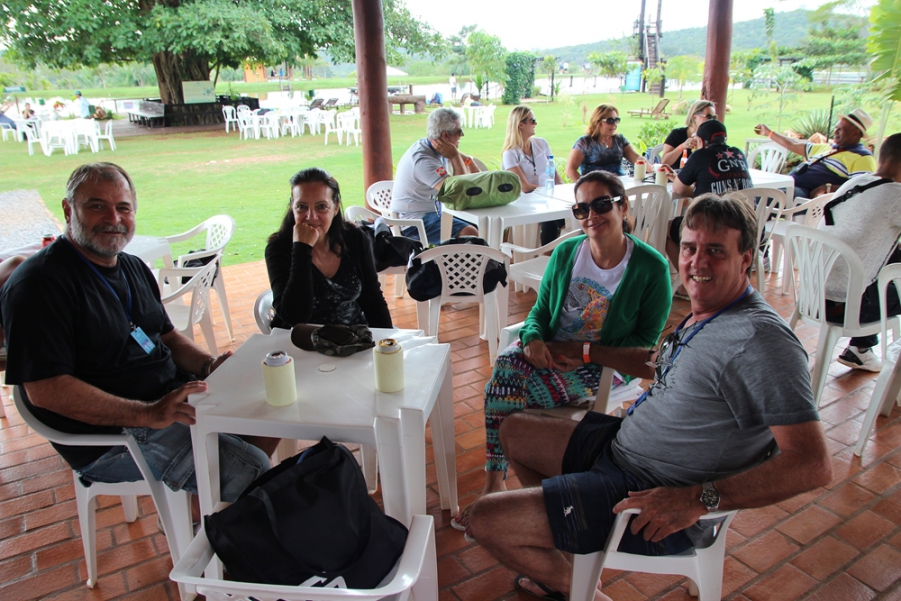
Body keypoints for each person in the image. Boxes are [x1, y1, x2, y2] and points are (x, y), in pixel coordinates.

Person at [467, 193, 833, 601]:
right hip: (622, 448)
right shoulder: (711, 312)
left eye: (716, 251)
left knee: (486, 519)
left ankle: (577, 588)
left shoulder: (761, 342)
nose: (697, 263)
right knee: (514, 429)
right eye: (690, 248)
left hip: (655, 494)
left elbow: (812, 464)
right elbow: (659, 362)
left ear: (746, 259)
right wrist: (587, 351)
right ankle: (571, 555)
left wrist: (697, 499)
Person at [0, 163, 273, 503]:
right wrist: (149, 413)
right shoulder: (39, 284)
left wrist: (209, 365)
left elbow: (168, 337)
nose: (113, 218)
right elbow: (46, 391)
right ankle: (216, 522)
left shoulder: (131, 267)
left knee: (269, 413)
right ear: (69, 210)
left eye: (123, 208)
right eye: (97, 205)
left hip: (165, 399)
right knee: (250, 469)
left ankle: (205, 516)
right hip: (109, 436)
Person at [451, 170, 672, 540]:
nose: (591, 215)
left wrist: (585, 353)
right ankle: (516, 489)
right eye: (582, 209)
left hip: (606, 364)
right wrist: (534, 338)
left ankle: (511, 489)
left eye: (602, 204)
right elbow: (539, 311)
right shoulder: (568, 253)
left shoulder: (651, 268)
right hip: (555, 351)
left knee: (504, 397)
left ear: (623, 206)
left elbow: (643, 345)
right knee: (506, 367)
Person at [265, 167, 392, 331]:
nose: (311, 217)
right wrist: (302, 249)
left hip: (354, 338)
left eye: (321, 206)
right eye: (302, 206)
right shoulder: (278, 249)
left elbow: (373, 300)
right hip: (300, 340)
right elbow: (295, 317)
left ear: (336, 207)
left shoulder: (355, 239)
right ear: (292, 207)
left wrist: (388, 339)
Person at [818, 132, 901, 372]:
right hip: (846, 307)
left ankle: (860, 349)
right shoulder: (896, 196)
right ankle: (870, 355)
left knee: (887, 257)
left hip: (814, 293)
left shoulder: (855, 182)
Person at [665, 119, 753, 299]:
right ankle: (729, 284)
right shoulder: (738, 154)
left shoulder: (700, 155)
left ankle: (691, 283)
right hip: (748, 228)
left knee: (667, 229)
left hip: (716, 229)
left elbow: (679, 189)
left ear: (700, 141)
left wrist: (694, 187)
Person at [390, 107, 481, 245]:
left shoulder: (434, 146)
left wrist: (468, 160)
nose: (462, 135)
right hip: (413, 222)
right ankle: (453, 260)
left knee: (479, 225)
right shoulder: (423, 160)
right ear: (445, 136)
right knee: (469, 232)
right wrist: (455, 156)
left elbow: (475, 175)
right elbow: (458, 194)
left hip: (432, 212)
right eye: (459, 131)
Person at [755, 108, 876, 199]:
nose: (835, 132)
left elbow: (861, 188)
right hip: (789, 185)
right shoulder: (829, 148)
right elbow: (793, 144)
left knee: (760, 197)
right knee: (752, 192)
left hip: (805, 194)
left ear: (855, 133)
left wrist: (828, 188)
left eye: (841, 129)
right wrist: (768, 133)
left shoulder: (862, 157)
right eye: (836, 128)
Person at [501, 105, 564, 245]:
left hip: (547, 197)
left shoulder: (542, 143)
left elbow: (554, 174)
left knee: (566, 209)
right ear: (520, 124)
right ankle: (552, 248)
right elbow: (525, 187)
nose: (536, 123)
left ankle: (550, 250)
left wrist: (561, 190)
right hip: (525, 200)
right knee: (551, 213)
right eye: (532, 120)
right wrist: (548, 192)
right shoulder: (510, 153)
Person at [565, 104, 640, 182]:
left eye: (616, 120)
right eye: (610, 121)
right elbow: (570, 170)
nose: (614, 124)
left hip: (619, 185)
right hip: (594, 185)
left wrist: (648, 166)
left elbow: (637, 159)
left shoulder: (620, 140)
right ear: (598, 122)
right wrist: (584, 186)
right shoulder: (585, 142)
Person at [660, 99, 716, 168]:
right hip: (676, 174)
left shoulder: (712, 137)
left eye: (714, 118)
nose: (711, 120)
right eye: (709, 117)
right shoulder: (677, 134)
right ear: (694, 117)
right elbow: (664, 162)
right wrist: (682, 147)